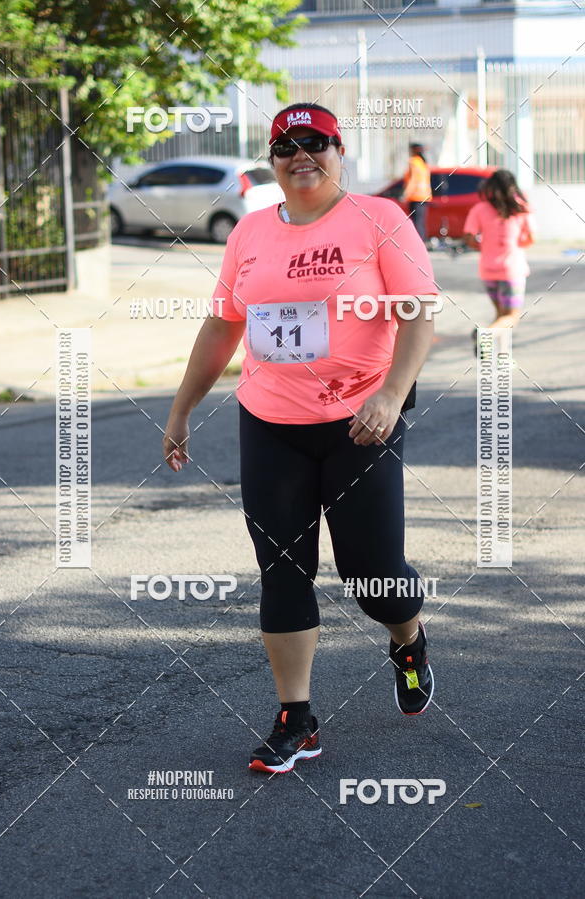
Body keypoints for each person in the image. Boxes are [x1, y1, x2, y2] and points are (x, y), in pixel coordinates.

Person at [163, 103, 439, 775]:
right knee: (282, 570)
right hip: (271, 421)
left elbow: (417, 315)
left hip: (360, 421)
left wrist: (390, 395)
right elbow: (222, 326)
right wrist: (181, 409)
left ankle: (407, 638)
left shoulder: (379, 218)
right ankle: (297, 716)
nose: (300, 153)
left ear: (338, 150)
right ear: (273, 159)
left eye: (315, 141)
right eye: (285, 144)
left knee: (373, 577)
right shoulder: (252, 231)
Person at [463, 169, 534, 353]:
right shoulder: (520, 207)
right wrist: (517, 243)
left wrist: (484, 247)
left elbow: (469, 237)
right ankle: (485, 335)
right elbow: (530, 238)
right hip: (512, 271)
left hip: (487, 270)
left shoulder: (479, 209)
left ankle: (503, 356)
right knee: (512, 317)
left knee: (501, 315)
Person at [402, 142, 432, 243]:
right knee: (421, 222)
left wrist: (405, 194)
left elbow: (413, 180)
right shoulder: (423, 163)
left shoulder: (413, 162)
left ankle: (417, 243)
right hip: (425, 196)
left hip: (415, 197)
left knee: (416, 222)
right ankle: (422, 243)